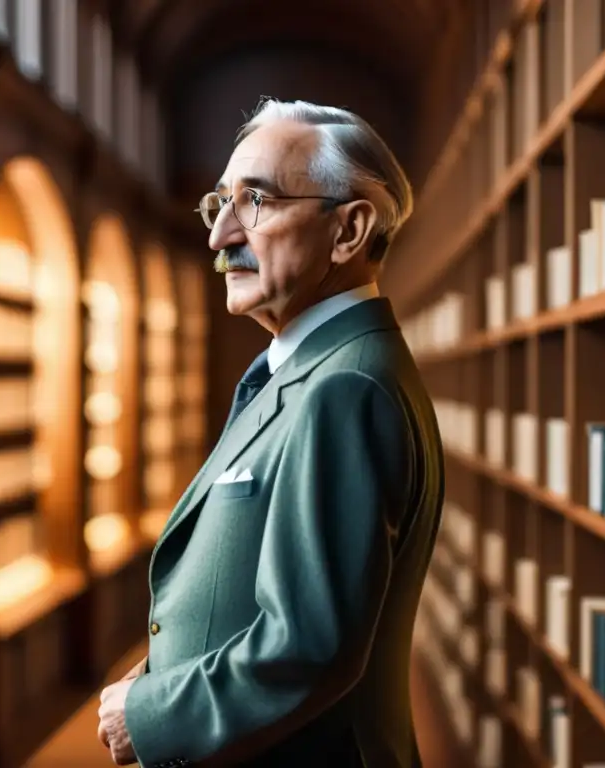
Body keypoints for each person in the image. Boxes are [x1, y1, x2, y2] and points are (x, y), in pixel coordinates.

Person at [97, 97, 444, 768]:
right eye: (219, 204)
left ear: (348, 232)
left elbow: (310, 644)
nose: (220, 235)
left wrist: (151, 712)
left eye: (255, 202)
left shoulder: (345, 388)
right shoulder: (306, 372)